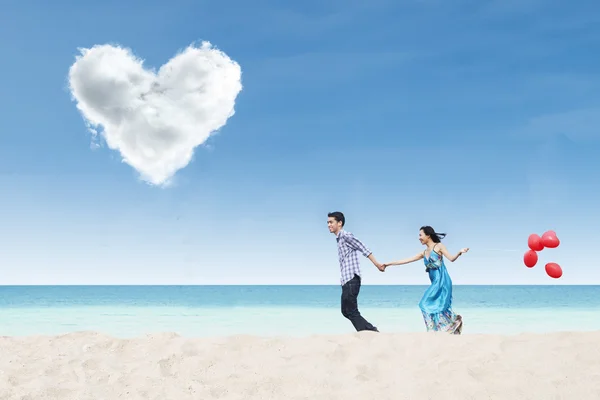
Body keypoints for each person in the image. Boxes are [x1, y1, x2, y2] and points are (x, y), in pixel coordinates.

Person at [382, 226, 468, 334]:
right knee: (432, 305)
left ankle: (435, 329)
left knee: (427, 304)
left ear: (428, 235)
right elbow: (406, 260)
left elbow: (451, 259)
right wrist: (388, 264)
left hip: (442, 282)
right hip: (435, 283)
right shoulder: (424, 253)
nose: (419, 238)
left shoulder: (438, 246)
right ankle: (449, 325)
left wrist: (459, 252)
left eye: (420, 235)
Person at [327, 211, 384, 332]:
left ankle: (369, 331)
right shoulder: (338, 239)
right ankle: (367, 331)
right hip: (346, 280)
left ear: (340, 223)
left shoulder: (345, 235)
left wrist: (377, 264)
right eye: (328, 222)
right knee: (345, 311)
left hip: (352, 279)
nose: (328, 225)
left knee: (352, 310)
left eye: (331, 222)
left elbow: (363, 247)